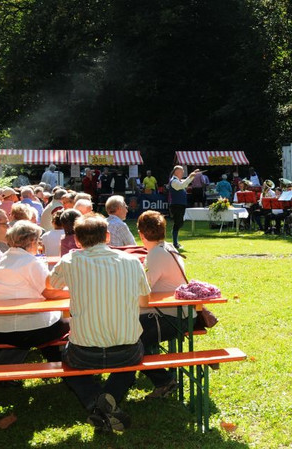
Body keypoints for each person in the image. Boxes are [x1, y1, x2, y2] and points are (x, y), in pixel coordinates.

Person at [49, 214, 150, 432]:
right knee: (132, 360)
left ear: (77, 240)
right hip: (126, 350)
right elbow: (145, 300)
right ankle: (107, 403)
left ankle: (96, 404)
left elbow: (50, 286)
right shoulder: (133, 261)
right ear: (107, 236)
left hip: (84, 352)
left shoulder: (69, 261)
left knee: (66, 362)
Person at [0, 221, 70, 364]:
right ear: (31, 241)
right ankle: (60, 362)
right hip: (22, 329)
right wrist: (75, 292)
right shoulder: (30, 262)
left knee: (46, 325)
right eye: (38, 240)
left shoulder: (4, 259)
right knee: (65, 323)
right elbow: (50, 292)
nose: (39, 244)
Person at [135, 211, 188, 398]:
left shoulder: (156, 254)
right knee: (128, 336)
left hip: (172, 317)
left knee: (128, 340)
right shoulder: (166, 248)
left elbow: (142, 289)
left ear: (141, 234)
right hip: (178, 314)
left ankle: (164, 381)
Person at [167, 166, 202, 249]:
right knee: (178, 223)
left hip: (180, 205)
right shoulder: (174, 181)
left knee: (179, 223)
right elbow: (182, 185)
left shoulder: (177, 181)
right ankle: (175, 243)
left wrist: (192, 175)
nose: (183, 173)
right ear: (177, 172)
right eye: (181, 171)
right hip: (176, 205)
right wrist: (190, 176)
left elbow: (185, 183)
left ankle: (175, 242)